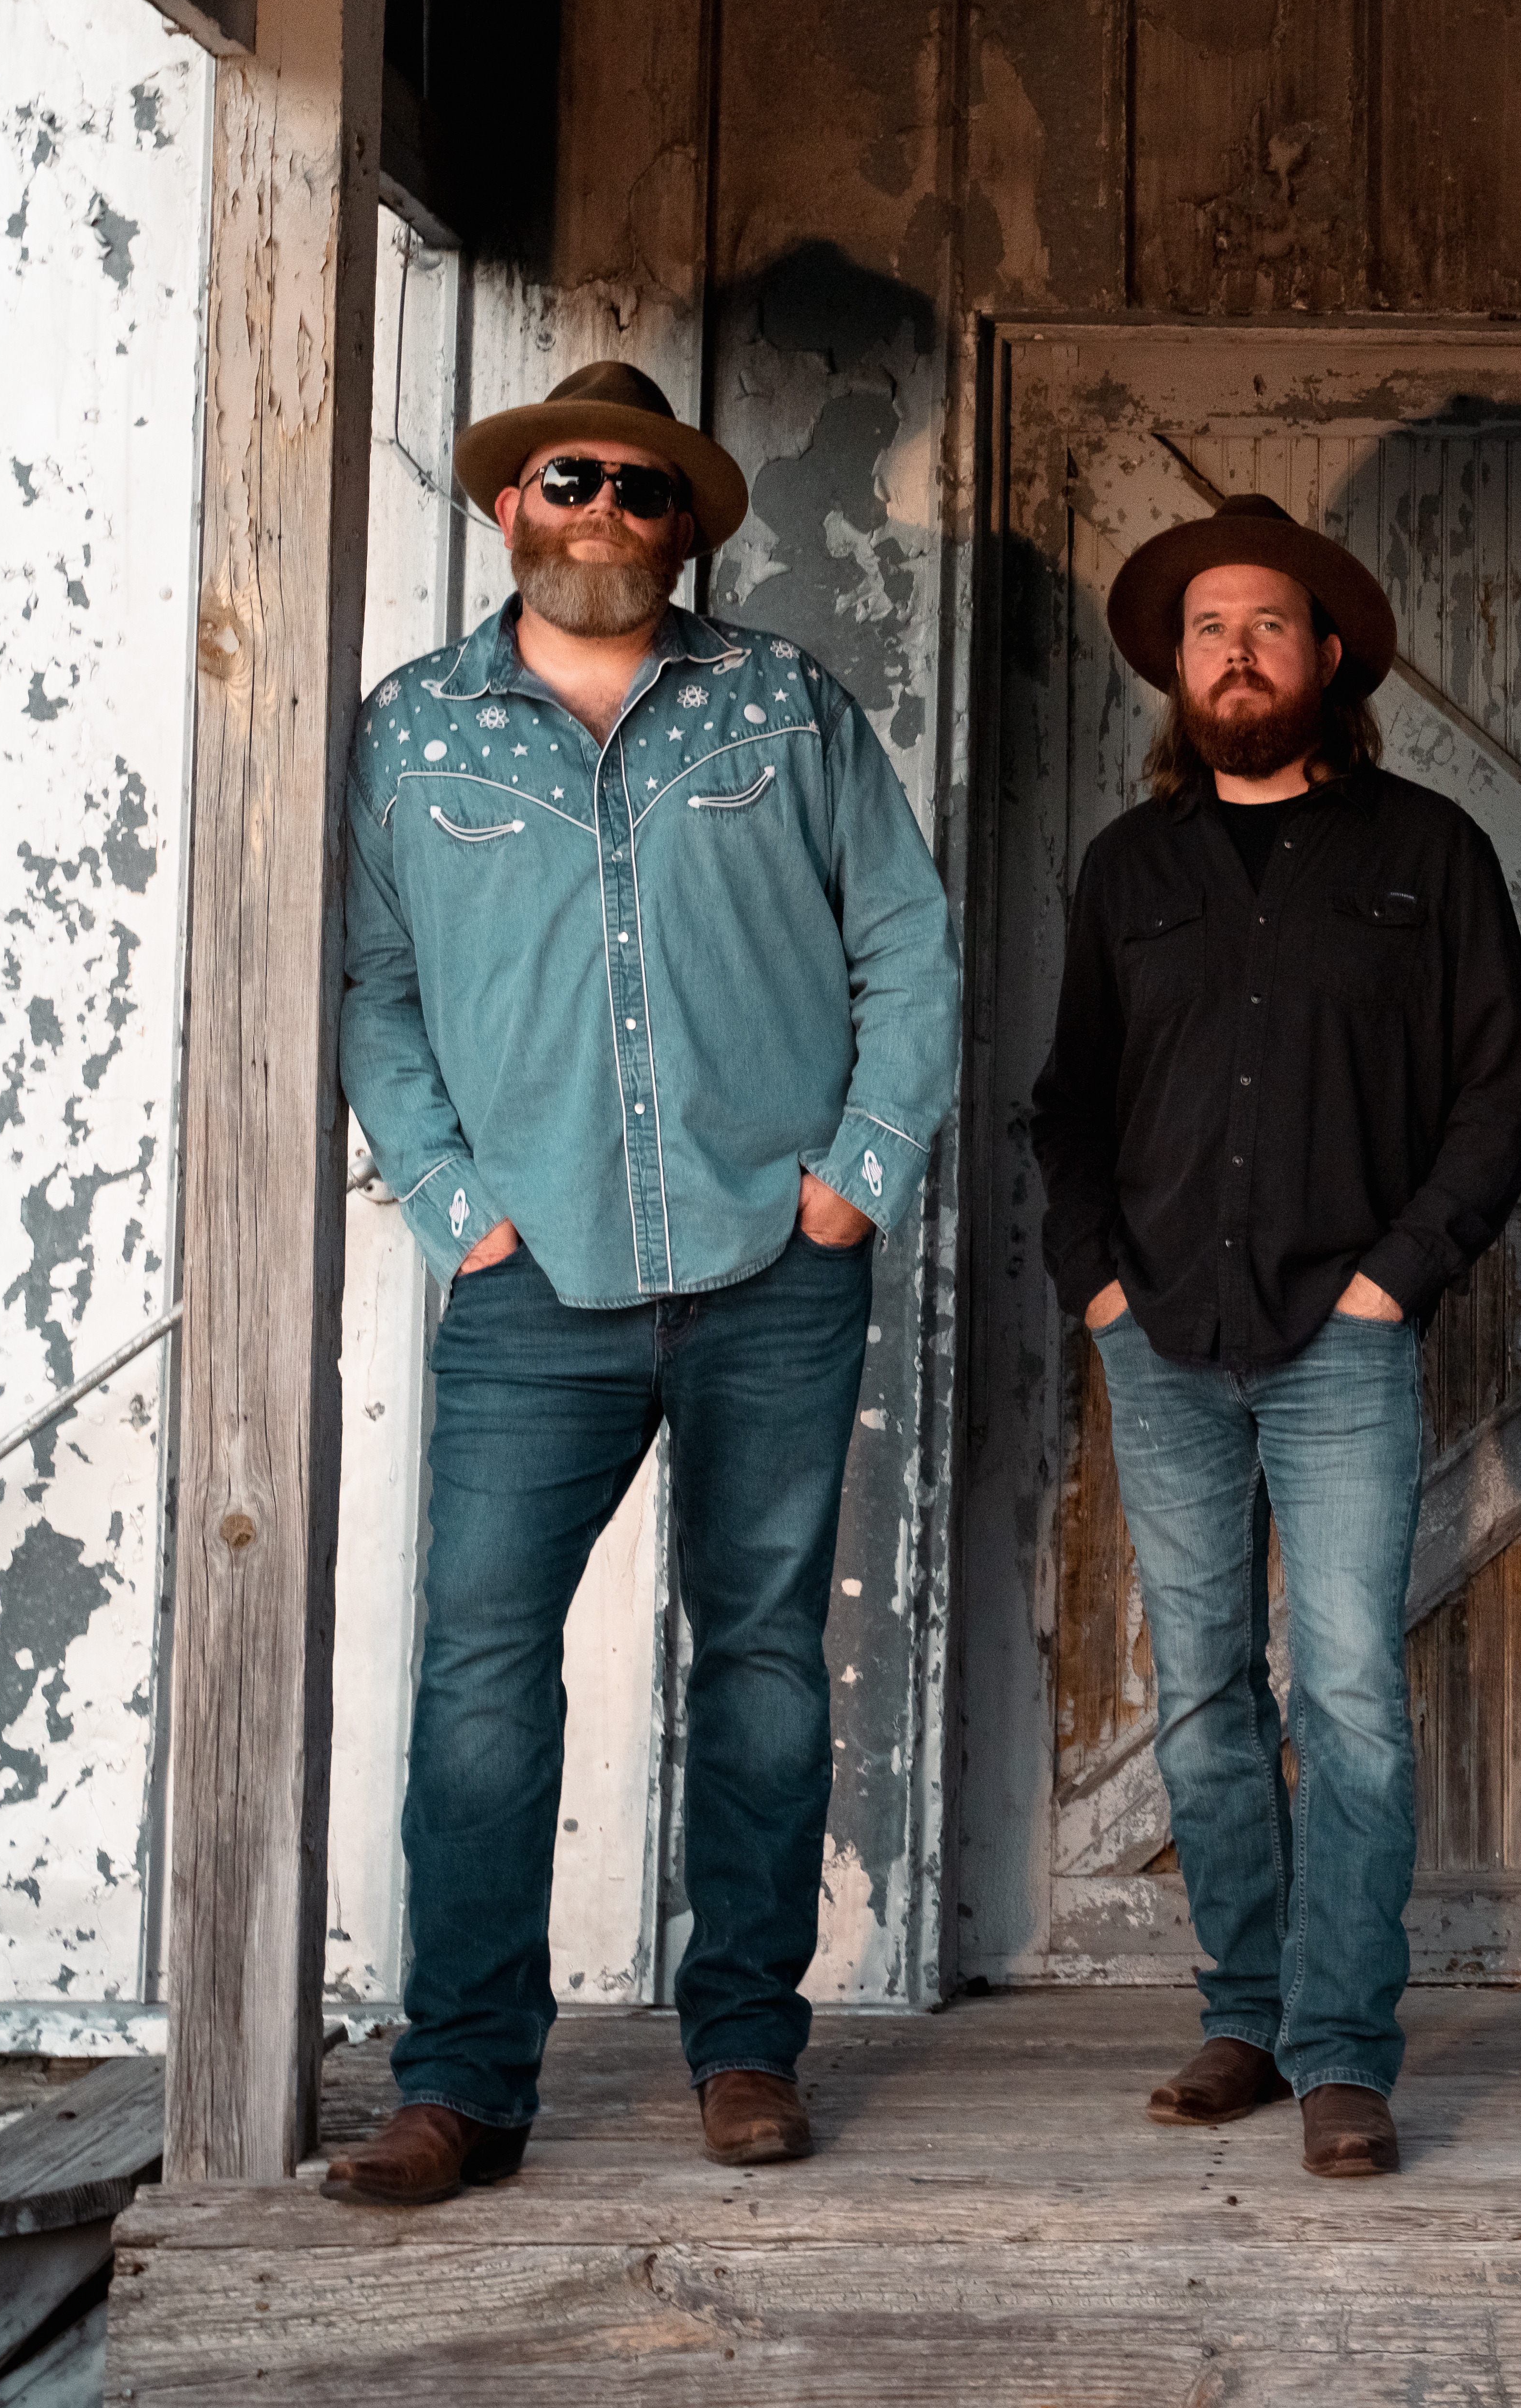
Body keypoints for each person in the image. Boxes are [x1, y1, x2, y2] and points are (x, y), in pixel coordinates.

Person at [324, 363, 961, 2205]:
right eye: (564, 478)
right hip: (533, 1284)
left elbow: (905, 947)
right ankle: (462, 2085)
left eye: (640, 490)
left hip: (776, 1263)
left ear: (683, 528)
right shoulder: (413, 732)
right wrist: (456, 1206)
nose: (599, 507)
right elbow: (374, 987)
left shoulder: (784, 705)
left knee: (761, 1659)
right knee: (481, 1675)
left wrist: (856, 1186)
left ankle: (747, 2045)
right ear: (509, 507)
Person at [1031, 494, 1521, 2178]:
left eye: (1268, 624)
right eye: (1206, 629)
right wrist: (1097, 1280)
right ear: (1174, 672)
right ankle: (1244, 2014)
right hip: (1160, 1334)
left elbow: (1497, 1094)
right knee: (1199, 1696)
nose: (1237, 652)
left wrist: (1399, 1273)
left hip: (1344, 1332)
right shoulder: (1130, 871)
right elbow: (1071, 1108)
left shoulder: (1429, 853)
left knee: (1349, 1697)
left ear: (1329, 657)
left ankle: (1343, 2047)